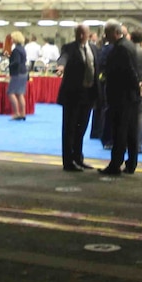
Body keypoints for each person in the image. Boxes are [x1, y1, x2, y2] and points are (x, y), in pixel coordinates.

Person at [98, 22, 142, 175]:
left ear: (115, 33)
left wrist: (137, 85)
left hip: (121, 95)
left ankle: (115, 164)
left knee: (119, 131)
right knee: (131, 131)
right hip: (131, 95)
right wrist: (139, 86)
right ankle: (131, 163)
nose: (105, 36)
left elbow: (128, 71)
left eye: (107, 32)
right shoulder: (130, 45)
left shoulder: (120, 48)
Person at [56, 23, 96, 171]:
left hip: (88, 95)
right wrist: (61, 66)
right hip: (72, 96)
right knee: (69, 129)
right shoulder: (69, 48)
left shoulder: (93, 49)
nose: (80, 36)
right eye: (78, 33)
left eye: (83, 33)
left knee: (81, 129)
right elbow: (63, 58)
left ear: (88, 34)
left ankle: (78, 158)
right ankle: (68, 162)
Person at [6, 31, 29, 121]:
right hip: (23, 72)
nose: (11, 40)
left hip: (17, 73)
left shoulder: (15, 50)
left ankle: (16, 113)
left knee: (10, 92)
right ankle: (23, 113)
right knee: (20, 93)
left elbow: (16, 62)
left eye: (12, 38)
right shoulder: (22, 48)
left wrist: (9, 64)